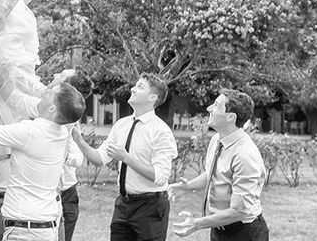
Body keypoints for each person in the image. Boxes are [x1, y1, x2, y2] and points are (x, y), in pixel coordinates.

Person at [0, 81, 86, 241]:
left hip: (25, 230)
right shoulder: (62, 132)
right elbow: (15, 97)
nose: (44, 93)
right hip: (46, 228)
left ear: (52, 108)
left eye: (49, 93)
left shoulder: (30, 131)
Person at [72, 74, 178, 241]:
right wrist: (79, 140)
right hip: (123, 205)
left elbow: (160, 176)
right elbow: (100, 159)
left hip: (150, 207)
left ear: (152, 97)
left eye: (140, 87)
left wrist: (127, 158)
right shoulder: (122, 125)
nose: (132, 89)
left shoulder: (161, 131)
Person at [170, 89, 269, 240]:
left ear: (230, 117)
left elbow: (239, 211)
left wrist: (197, 223)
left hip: (244, 232)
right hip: (219, 229)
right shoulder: (217, 139)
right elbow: (213, 173)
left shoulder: (244, 155)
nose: (209, 108)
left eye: (216, 105)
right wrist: (188, 186)